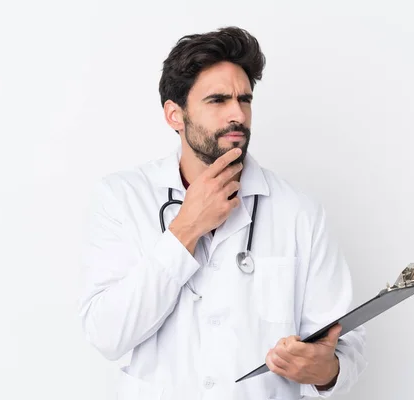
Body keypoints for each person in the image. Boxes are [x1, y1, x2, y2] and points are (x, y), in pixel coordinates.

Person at [78, 26, 367, 399]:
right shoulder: (121, 198)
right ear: (174, 115)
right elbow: (106, 334)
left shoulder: (298, 211)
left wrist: (325, 370)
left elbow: (346, 345)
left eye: (244, 100)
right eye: (217, 101)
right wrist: (185, 230)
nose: (238, 115)